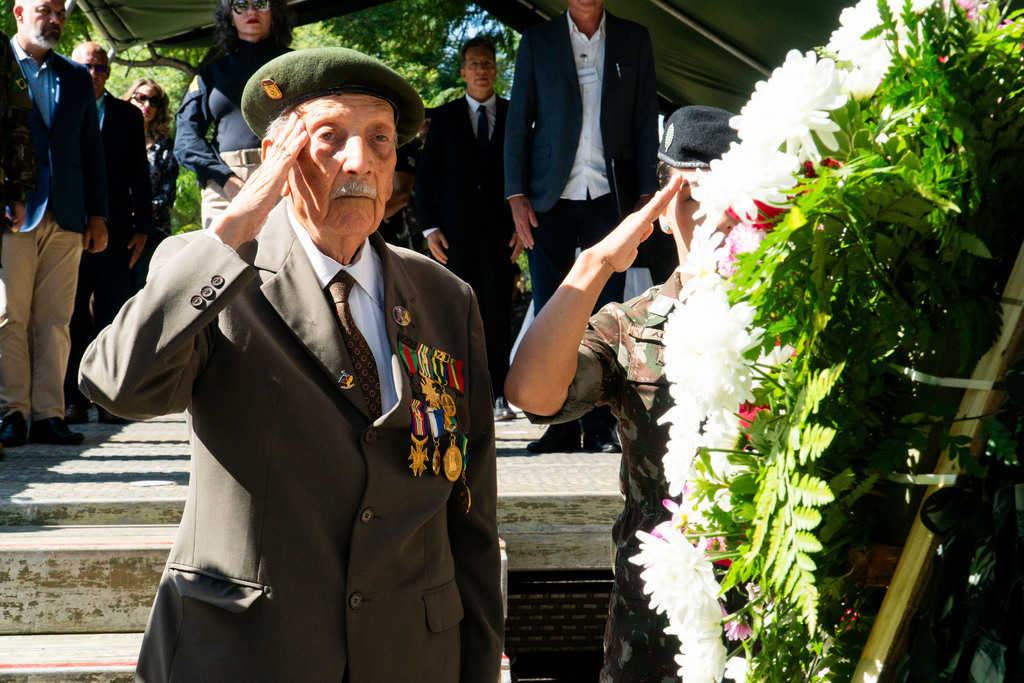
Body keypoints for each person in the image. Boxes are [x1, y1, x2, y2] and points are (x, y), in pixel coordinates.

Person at [79, 47, 503, 681]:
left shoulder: (445, 297)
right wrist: (237, 223)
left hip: (409, 655)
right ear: (279, 159)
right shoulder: (214, 271)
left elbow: (470, 512)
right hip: (249, 651)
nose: (360, 161)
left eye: (380, 139)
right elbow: (117, 383)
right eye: (329, 138)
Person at [506, 106, 741, 683]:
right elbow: (531, 393)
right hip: (654, 626)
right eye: (687, 197)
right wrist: (596, 263)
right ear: (660, 215)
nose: (708, 216)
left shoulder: (797, 319)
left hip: (767, 611)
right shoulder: (630, 326)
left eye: (723, 195)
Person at [504, 0, 659, 454]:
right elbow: (519, 120)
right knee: (551, 306)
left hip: (612, 191)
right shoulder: (537, 40)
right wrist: (515, 195)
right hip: (547, 194)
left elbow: (646, 115)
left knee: (605, 310)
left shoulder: (635, 37)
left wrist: (647, 192)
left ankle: (598, 423)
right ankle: (558, 424)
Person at [1, 0, 108, 448]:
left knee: (55, 319)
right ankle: (12, 414)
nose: (56, 20)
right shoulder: (1, 67)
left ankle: (47, 414)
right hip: (12, 212)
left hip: (66, 213)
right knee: (9, 315)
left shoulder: (76, 77)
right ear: (19, 13)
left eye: (61, 12)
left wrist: (98, 215)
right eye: (45, 9)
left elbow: (91, 150)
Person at [416, 36, 522, 423]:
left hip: (501, 236)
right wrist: (429, 229)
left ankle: (498, 395)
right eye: (474, 64)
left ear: (496, 70)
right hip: (453, 238)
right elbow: (426, 180)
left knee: (496, 315)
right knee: (454, 314)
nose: (481, 70)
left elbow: (526, 175)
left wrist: (521, 228)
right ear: (462, 72)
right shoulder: (443, 118)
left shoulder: (515, 115)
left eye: (488, 63)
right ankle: (455, 394)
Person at [63, 42, 152, 426]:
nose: (93, 74)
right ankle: (73, 399)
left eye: (100, 68)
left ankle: (110, 398)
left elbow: (139, 174)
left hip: (117, 231)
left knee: (114, 313)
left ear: (109, 72)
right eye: (86, 67)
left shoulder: (127, 116)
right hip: (68, 226)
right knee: (71, 313)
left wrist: (144, 227)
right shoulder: (63, 107)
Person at [174, 0, 292, 229]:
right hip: (225, 183)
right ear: (229, 17)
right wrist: (225, 178)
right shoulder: (210, 73)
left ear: (274, 13)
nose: (251, 11)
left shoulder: (295, 65)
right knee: (223, 262)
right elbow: (185, 138)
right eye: (240, 5)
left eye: (260, 3)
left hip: (288, 174)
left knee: (288, 260)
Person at [124, 77, 179, 292]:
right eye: (141, 98)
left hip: (153, 229)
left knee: (143, 288)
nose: (147, 105)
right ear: (130, 98)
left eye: (154, 102)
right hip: (116, 225)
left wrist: (143, 213)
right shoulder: (115, 137)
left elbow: (167, 193)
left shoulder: (165, 147)